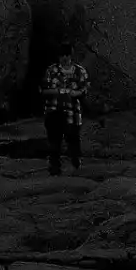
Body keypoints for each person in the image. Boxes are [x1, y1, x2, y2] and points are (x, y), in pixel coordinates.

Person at [39, 44, 90, 175]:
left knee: (73, 139)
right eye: (62, 55)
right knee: (54, 141)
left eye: (66, 55)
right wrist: (57, 91)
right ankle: (54, 168)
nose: (64, 58)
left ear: (71, 55)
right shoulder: (52, 70)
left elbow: (85, 89)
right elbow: (43, 90)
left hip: (73, 112)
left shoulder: (80, 71)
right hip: (54, 110)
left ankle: (76, 165)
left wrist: (76, 93)